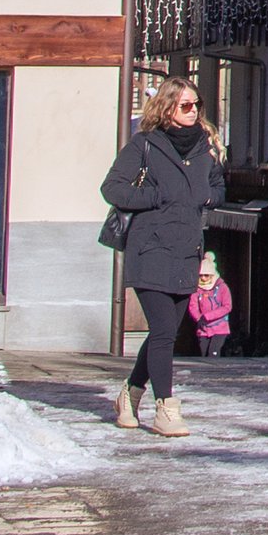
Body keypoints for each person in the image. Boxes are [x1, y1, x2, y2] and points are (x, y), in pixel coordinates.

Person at [99, 81, 222, 437]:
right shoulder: (145, 145)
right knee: (165, 331)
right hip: (150, 248)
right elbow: (112, 188)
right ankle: (166, 408)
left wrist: (208, 196)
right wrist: (154, 195)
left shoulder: (205, 148)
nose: (194, 110)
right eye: (185, 105)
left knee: (162, 333)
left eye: (196, 103)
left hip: (186, 251)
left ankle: (129, 394)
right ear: (167, 108)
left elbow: (218, 187)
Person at [186, 250, 232, 360]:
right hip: (203, 328)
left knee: (213, 353)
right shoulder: (197, 289)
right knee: (203, 353)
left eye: (206, 275)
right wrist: (199, 318)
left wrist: (208, 316)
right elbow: (193, 306)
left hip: (220, 327)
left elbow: (227, 306)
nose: (203, 278)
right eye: (201, 275)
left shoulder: (222, 287)